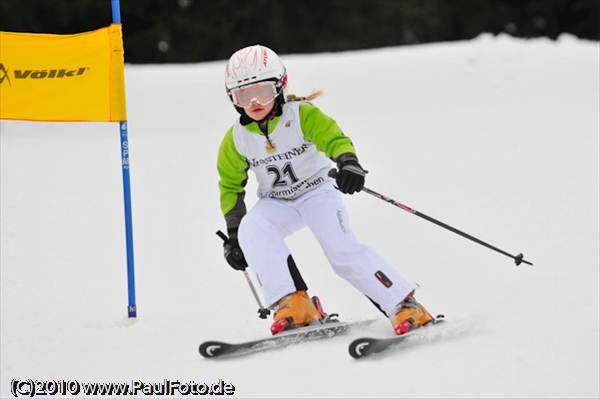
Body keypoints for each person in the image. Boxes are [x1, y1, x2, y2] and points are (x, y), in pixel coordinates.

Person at [217, 44, 433, 336]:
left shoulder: (302, 115)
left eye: (263, 92)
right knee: (252, 229)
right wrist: (234, 235)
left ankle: (404, 305)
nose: (254, 101)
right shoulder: (237, 139)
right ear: (232, 98)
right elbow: (230, 186)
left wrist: (349, 164)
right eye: (243, 95)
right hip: (278, 202)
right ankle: (294, 303)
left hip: (318, 192)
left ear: (280, 87)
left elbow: (334, 138)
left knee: (341, 252)